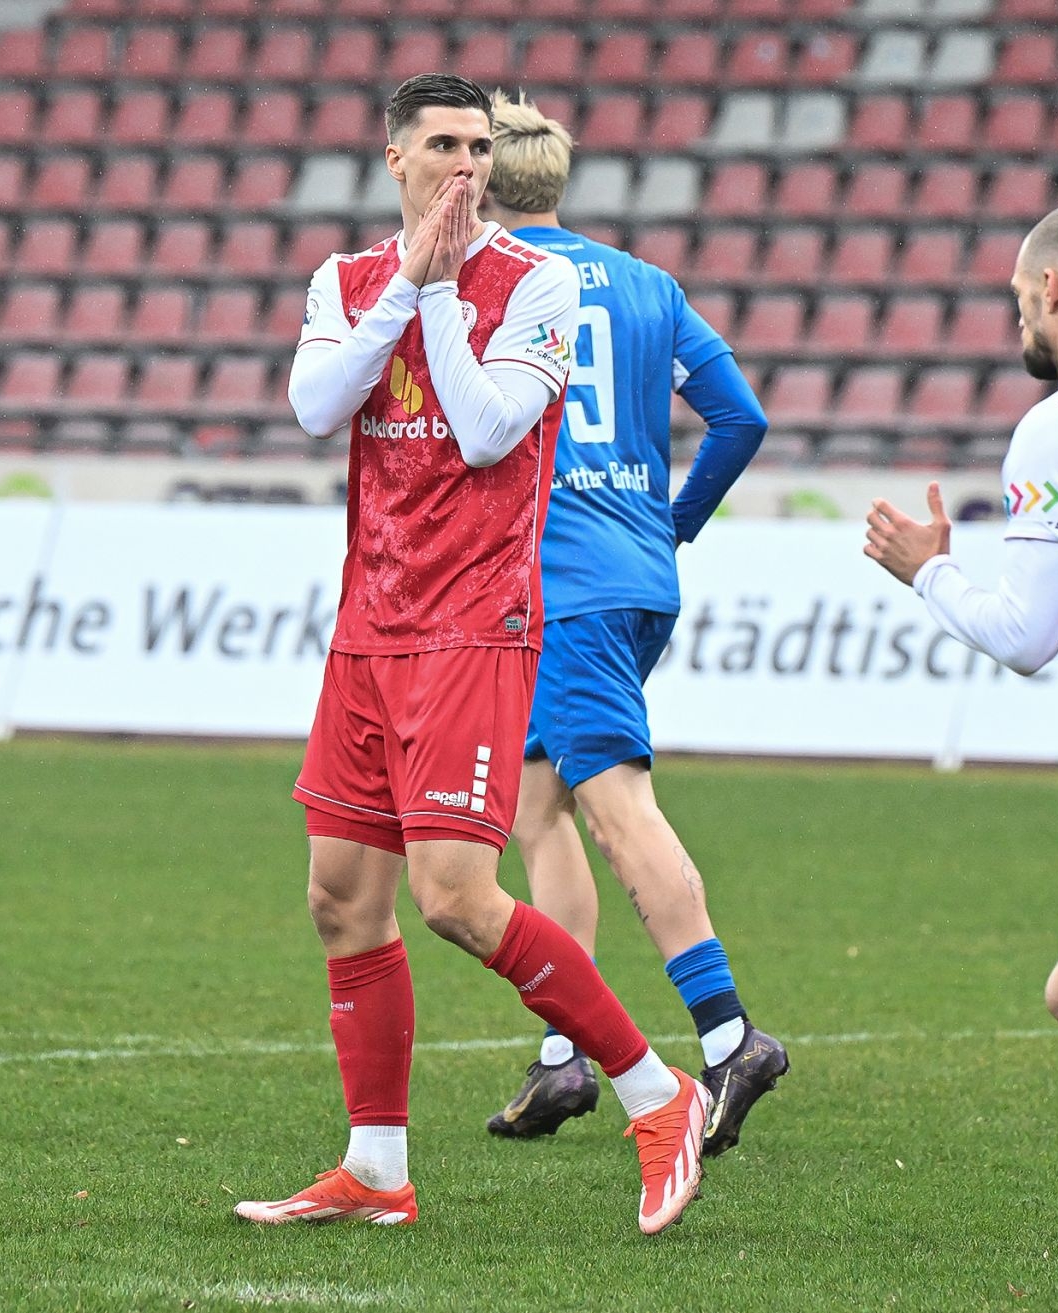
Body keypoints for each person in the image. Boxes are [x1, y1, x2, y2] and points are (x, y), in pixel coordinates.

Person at [232, 75, 711, 1236]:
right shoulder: (343, 280)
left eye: (478, 144)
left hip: (476, 624)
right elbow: (315, 406)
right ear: (393, 158)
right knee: (342, 899)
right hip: (369, 628)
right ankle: (378, 1166)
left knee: (454, 896)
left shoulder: (536, 283)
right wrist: (410, 279)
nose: (465, 163)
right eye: (441, 143)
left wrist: (441, 292)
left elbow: (492, 427)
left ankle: (660, 1094)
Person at [475, 92, 786, 1155]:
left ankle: (728, 1032)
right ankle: (566, 1055)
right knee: (538, 805)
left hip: (560, 585)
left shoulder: (498, 283)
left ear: (478, 184)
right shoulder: (649, 283)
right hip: (636, 573)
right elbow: (740, 415)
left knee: (612, 808)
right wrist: (670, 524)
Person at [865, 200, 1058, 1131]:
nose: (1018, 319)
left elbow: (1025, 636)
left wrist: (929, 572)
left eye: (1018, 297)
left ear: (1051, 288)